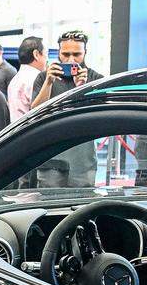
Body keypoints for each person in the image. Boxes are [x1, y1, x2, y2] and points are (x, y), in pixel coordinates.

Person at [31, 30, 106, 187]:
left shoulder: (96, 80)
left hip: (83, 161)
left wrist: (83, 88)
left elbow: (100, 118)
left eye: (76, 54)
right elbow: (35, 113)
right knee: (50, 200)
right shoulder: (44, 78)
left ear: (85, 52)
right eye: (65, 54)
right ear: (58, 52)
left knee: (82, 201)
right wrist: (48, 83)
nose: (71, 59)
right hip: (51, 157)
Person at [7, 36, 46, 122]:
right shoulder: (38, 79)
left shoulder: (14, 80)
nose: (46, 60)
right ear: (36, 54)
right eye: (46, 54)